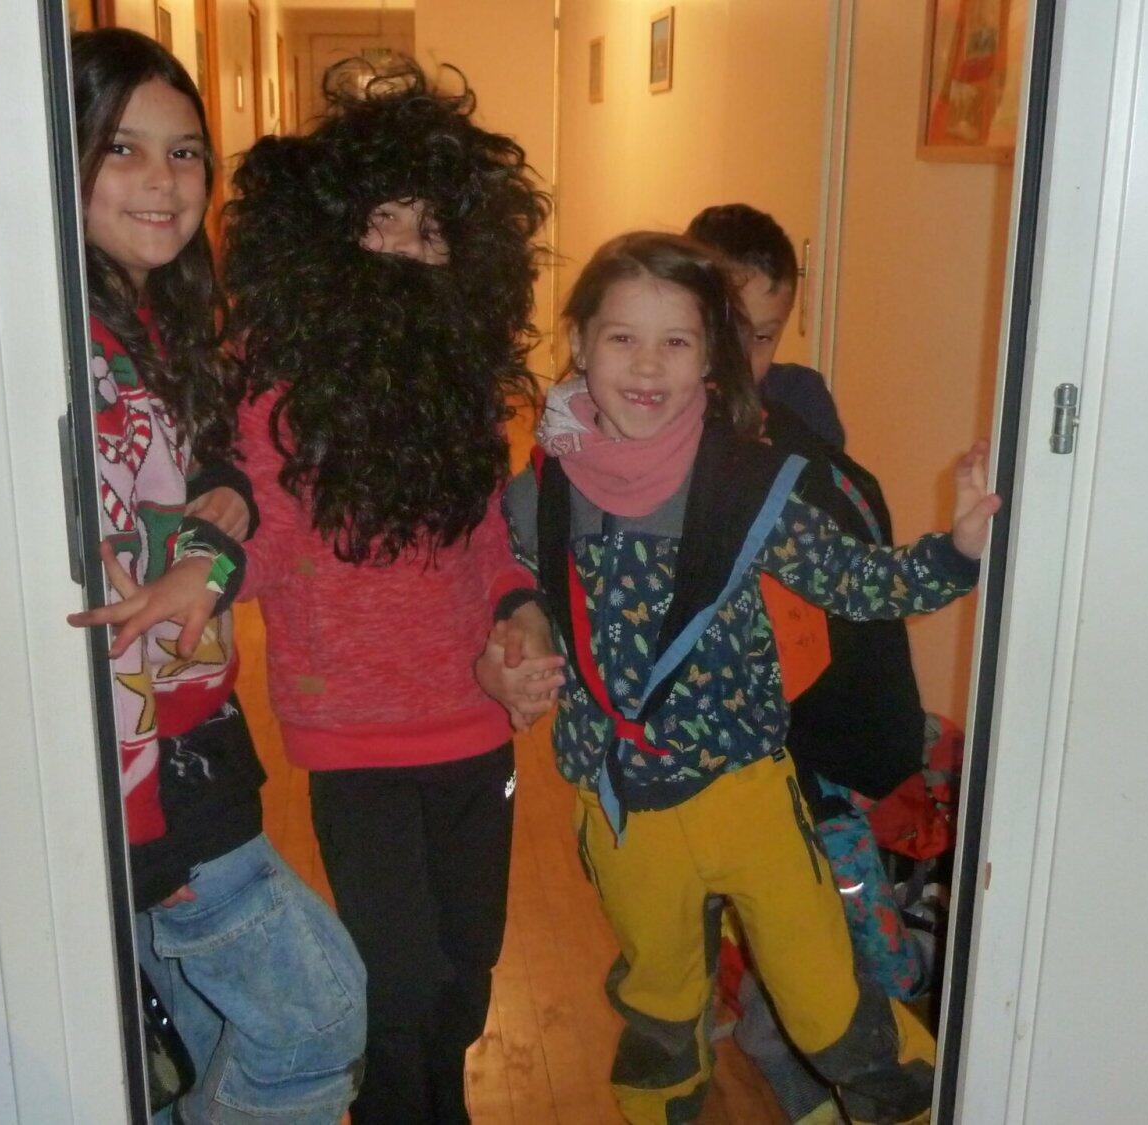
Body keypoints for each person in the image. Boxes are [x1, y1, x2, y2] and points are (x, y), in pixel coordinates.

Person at [503, 231, 997, 1125]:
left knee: (820, 981)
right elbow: (512, 581)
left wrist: (957, 550)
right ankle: (663, 1102)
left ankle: (904, 1102)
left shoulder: (749, 484)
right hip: (621, 801)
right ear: (577, 341)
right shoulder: (543, 486)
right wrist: (512, 629)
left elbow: (859, 583)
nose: (646, 365)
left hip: (745, 789)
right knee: (659, 993)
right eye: (621, 338)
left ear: (709, 360)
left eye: (676, 341)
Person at [222, 59, 563, 1124]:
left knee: (467, 967)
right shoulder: (278, 379)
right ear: (329, 234)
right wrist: (200, 568)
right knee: (400, 976)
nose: (411, 250)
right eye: (385, 222)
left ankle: (437, 1101)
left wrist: (517, 606)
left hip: (470, 722)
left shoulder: (458, 380)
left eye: (432, 230)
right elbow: (268, 532)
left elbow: (487, 538)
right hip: (352, 737)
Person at [63, 28, 365, 1124]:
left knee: (195, 1037)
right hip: (134, 767)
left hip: (193, 729)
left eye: (184, 152)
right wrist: (206, 544)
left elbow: (218, 479)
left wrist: (214, 544)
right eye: (123, 149)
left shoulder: (158, 319)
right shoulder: (56, 342)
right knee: (317, 1018)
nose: (163, 180)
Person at [688, 203, 959, 1123]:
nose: (745, 360)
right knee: (732, 912)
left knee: (817, 936)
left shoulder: (797, 414)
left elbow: (837, 589)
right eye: (727, 331)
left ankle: (798, 1045)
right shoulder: (651, 433)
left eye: (764, 335)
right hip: (725, 751)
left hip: (816, 744)